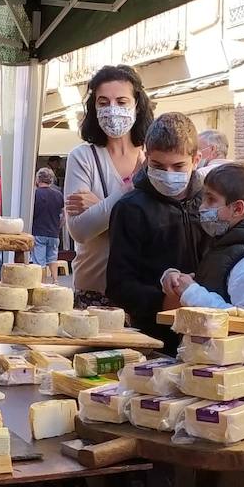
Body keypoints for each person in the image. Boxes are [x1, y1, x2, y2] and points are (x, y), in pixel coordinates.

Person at [106, 113, 212, 353]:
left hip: (211, 331)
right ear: (146, 157)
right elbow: (118, 284)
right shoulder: (130, 208)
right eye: (158, 166)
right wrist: (163, 301)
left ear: (196, 160)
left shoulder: (211, 202)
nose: (168, 174)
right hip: (156, 339)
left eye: (178, 166)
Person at [65, 65, 154, 308]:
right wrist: (129, 190)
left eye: (121, 101)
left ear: (137, 104)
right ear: (93, 107)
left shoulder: (153, 156)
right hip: (93, 294)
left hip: (143, 294)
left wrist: (101, 208)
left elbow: (155, 229)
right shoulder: (83, 157)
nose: (112, 109)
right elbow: (80, 231)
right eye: (103, 102)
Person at [161, 161, 244, 310]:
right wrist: (181, 282)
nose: (202, 207)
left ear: (237, 208)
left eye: (211, 200)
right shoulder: (226, 243)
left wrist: (192, 293)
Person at [31, 167, 64, 265]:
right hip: (54, 233)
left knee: (39, 262)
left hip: (38, 232)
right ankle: (55, 280)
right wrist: (59, 226)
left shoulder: (35, 194)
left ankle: (41, 280)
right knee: (52, 260)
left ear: (38, 179)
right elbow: (64, 213)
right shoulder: (58, 194)